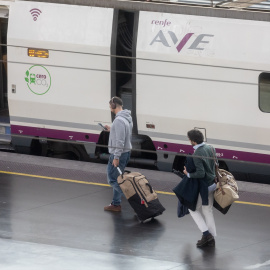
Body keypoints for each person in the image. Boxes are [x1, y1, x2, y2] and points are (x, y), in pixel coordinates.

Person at [183, 129, 217, 248]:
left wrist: (188, 173)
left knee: (192, 209)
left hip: (204, 187)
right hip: (213, 184)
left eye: (189, 139)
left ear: (193, 141)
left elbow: (200, 173)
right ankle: (212, 238)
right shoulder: (211, 148)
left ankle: (206, 234)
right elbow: (215, 164)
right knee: (208, 210)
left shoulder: (197, 153)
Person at [104, 97, 133, 212]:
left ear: (114, 105)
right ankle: (116, 204)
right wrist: (112, 129)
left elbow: (120, 141)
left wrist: (116, 157)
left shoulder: (119, 120)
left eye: (110, 105)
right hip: (125, 152)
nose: (110, 108)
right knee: (117, 179)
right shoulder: (127, 118)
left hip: (119, 154)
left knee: (112, 180)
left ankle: (136, 202)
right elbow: (123, 134)